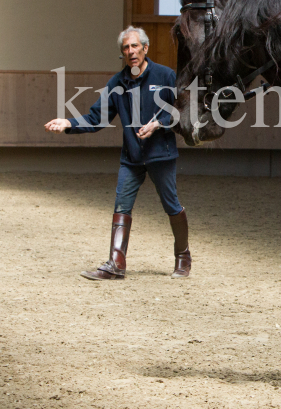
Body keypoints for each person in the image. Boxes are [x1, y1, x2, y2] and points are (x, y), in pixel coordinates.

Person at [44, 26, 191, 280]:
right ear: (122, 53)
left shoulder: (165, 76)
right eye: (126, 48)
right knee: (121, 205)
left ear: (145, 48)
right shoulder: (116, 84)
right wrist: (69, 124)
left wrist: (158, 124)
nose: (131, 51)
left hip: (161, 155)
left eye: (135, 46)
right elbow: (96, 118)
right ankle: (116, 263)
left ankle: (183, 256)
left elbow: (179, 111)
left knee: (171, 205)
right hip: (131, 157)